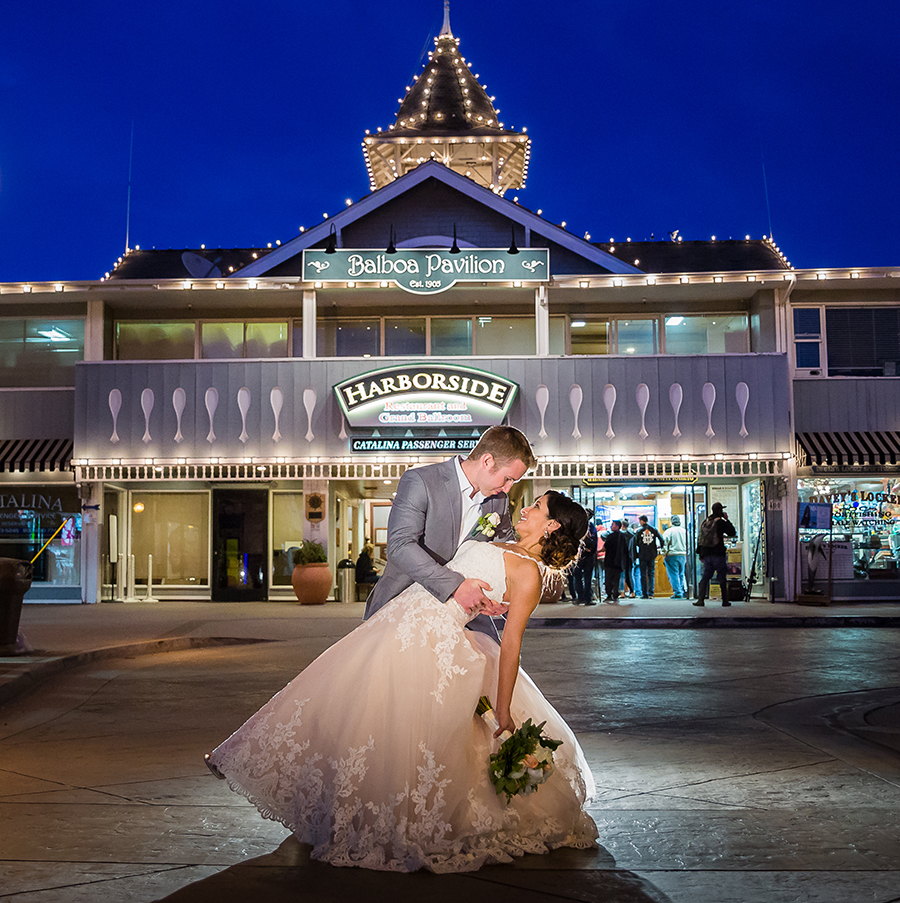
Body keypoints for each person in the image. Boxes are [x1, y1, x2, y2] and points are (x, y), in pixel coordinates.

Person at [205, 491, 598, 873]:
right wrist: (481, 600)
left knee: (401, 727)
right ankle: (249, 758)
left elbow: (511, 645)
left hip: (433, 639)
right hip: (401, 619)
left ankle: (403, 823)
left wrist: (504, 707)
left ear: (551, 525)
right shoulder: (504, 544)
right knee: (335, 694)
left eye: (537, 506)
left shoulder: (528, 573)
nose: (526, 509)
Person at [364, 425, 536, 639]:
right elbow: (400, 546)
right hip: (403, 604)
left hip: (466, 616)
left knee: (492, 656)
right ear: (487, 461)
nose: (508, 488)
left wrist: (504, 595)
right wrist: (456, 586)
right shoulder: (421, 481)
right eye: (508, 478)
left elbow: (504, 549)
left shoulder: (498, 499)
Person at [693, 501, 737, 607]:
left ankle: (701, 600)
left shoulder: (706, 521)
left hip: (707, 555)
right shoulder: (720, 522)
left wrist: (701, 553)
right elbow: (732, 532)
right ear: (720, 511)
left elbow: (701, 538)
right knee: (722, 577)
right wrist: (727, 520)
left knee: (705, 577)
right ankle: (725, 601)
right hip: (718, 554)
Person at [570, 507, 598, 605]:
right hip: (584, 555)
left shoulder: (580, 526)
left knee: (582, 577)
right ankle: (585, 598)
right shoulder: (589, 526)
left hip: (582, 555)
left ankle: (583, 597)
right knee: (584, 577)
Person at [601, 519, 631, 603]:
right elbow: (625, 550)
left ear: (617, 526)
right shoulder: (623, 537)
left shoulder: (610, 536)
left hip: (609, 561)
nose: (611, 526)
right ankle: (615, 595)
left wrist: (598, 551)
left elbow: (605, 547)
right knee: (616, 579)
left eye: (613, 525)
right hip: (618, 562)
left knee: (608, 579)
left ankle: (609, 595)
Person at [635, 515, 663, 598]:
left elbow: (636, 542)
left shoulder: (639, 531)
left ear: (642, 521)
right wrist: (658, 547)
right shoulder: (654, 529)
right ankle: (651, 593)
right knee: (651, 573)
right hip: (652, 554)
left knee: (643, 574)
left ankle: (644, 593)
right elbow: (662, 540)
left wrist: (641, 546)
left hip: (642, 554)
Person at [662, 515, 688, 599]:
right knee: (681, 574)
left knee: (673, 574)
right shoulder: (684, 531)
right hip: (683, 554)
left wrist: (663, 553)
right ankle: (682, 590)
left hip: (672, 555)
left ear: (671, 522)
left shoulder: (668, 531)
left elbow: (664, 543)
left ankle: (678, 592)